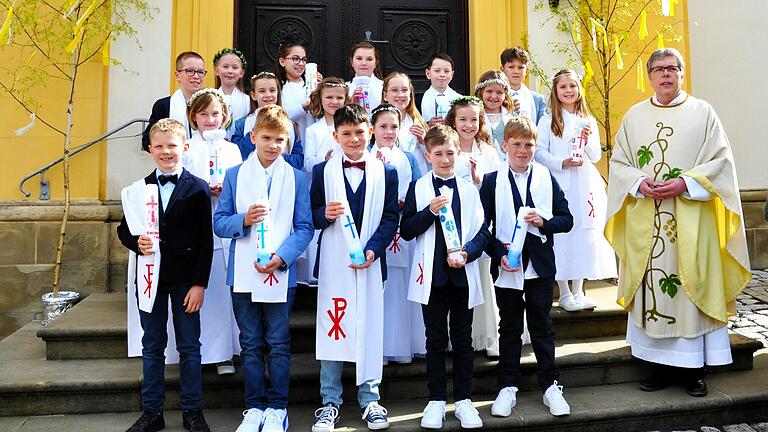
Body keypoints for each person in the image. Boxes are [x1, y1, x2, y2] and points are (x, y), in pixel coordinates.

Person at [605, 48, 751, 397]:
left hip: (691, 218)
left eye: (673, 68)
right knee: (652, 286)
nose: (666, 74)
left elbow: (721, 162)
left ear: (682, 74)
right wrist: (639, 182)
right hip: (648, 220)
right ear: (650, 76)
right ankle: (656, 367)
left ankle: (694, 370)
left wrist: (686, 182)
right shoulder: (634, 116)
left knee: (692, 284)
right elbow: (620, 163)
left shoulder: (703, 113)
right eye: (659, 69)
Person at [214, 105, 314, 432]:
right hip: (242, 272)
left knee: (278, 341)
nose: (273, 145)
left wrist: (283, 257)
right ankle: (254, 406)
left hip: (279, 272)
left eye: (280, 140)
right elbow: (219, 221)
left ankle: (278, 406)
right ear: (253, 137)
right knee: (251, 342)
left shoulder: (297, 178)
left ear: (288, 142)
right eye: (267, 138)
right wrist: (243, 220)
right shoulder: (234, 175)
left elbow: (304, 227)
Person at [118, 118, 213, 432]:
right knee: (152, 346)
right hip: (150, 280)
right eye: (158, 146)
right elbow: (123, 230)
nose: (166, 151)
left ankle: (192, 411)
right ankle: (152, 412)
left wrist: (199, 284)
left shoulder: (198, 188)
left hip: (186, 279)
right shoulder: (137, 191)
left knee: (189, 347)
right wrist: (136, 242)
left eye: (172, 145)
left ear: (185, 147)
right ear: (149, 149)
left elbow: (205, 241)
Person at [310, 104, 399, 431]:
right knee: (333, 327)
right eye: (346, 133)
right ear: (336, 136)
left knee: (368, 326)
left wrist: (373, 251)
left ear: (371, 132)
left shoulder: (386, 172)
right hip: (336, 263)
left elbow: (391, 218)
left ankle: (369, 397)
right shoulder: (323, 171)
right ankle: (329, 400)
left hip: (371, 263)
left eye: (359, 132)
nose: (353, 138)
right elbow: (312, 215)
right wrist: (325, 215)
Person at [479, 116, 574, 419]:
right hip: (507, 265)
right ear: (504, 145)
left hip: (540, 266)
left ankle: (550, 384)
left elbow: (566, 219)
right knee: (509, 327)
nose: (523, 150)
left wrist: (543, 221)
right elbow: (482, 229)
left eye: (529, 145)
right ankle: (507, 386)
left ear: (535, 147)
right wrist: (498, 252)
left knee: (542, 325)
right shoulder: (492, 181)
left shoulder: (547, 176)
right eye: (517, 144)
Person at [400, 124, 491, 430]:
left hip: (462, 275)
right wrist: (428, 211)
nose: (445, 159)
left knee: (463, 341)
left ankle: (464, 400)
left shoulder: (469, 190)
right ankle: (436, 400)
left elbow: (483, 232)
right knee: (435, 340)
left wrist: (468, 253)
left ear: (458, 153)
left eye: (450, 153)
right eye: (438, 154)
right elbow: (407, 230)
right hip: (433, 277)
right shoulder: (418, 188)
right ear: (428, 155)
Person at [535, 69, 617, 312]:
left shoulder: (588, 121)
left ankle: (580, 289)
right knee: (563, 233)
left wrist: (589, 138)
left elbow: (594, 154)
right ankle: (564, 291)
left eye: (572, 86)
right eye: (563, 87)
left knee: (584, 231)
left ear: (579, 89)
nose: (568, 91)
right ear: (556, 91)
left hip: (585, 183)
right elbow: (539, 152)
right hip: (561, 182)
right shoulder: (548, 120)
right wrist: (561, 162)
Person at [444, 96, 503, 357]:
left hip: (479, 224)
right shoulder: (447, 150)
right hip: (452, 225)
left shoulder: (488, 153)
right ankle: (457, 337)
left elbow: (497, 190)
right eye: (463, 119)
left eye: (474, 120)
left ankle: (489, 336)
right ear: (453, 121)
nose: (468, 125)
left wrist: (481, 181)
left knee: (482, 277)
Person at [369, 103, 424, 363]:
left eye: (393, 126)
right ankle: (379, 347)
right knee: (382, 286)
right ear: (373, 129)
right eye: (383, 127)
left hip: (404, 229)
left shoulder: (408, 158)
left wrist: (406, 202)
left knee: (403, 286)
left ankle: (406, 343)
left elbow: (420, 189)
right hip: (377, 230)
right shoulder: (367, 157)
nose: (389, 132)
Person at [299, 77, 351, 287]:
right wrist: (325, 160)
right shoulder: (313, 131)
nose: (334, 101)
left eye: (339, 97)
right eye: (329, 97)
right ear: (320, 100)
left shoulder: (350, 127)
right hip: (322, 187)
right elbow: (307, 163)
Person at [230, 72, 303, 168]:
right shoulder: (242, 124)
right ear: (253, 95)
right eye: (262, 91)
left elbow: (298, 159)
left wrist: (276, 157)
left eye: (272, 90)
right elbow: (236, 154)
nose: (268, 95)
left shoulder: (291, 125)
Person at [141, 51, 205, 151]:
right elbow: (147, 141)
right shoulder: (164, 106)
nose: (196, 76)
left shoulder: (210, 104)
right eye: (190, 71)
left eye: (200, 72)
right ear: (177, 75)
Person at [381, 72, 429, 175]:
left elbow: (432, 157)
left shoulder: (418, 122)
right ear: (385, 96)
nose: (400, 95)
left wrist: (423, 142)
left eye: (404, 90)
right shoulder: (378, 122)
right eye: (394, 90)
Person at [276, 40, 321, 142]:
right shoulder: (277, 87)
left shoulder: (310, 86)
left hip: (311, 140)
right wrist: (302, 108)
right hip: (288, 141)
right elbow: (276, 117)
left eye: (304, 60)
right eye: (295, 59)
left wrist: (321, 90)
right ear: (282, 61)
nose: (301, 64)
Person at [474, 70, 517, 161]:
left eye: (499, 92)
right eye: (489, 91)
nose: (494, 96)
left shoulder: (512, 118)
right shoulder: (474, 117)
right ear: (481, 92)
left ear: (505, 95)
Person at [499, 46, 547, 124]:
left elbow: (542, 127)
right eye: (511, 67)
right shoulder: (496, 98)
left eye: (520, 67)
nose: (516, 71)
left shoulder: (537, 99)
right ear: (502, 69)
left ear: (526, 71)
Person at [213, 48, 250, 139]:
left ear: (241, 73)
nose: (230, 71)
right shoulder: (210, 98)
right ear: (216, 70)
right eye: (225, 67)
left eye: (235, 67)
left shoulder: (247, 101)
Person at [421, 53, 462, 126]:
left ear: (452, 75)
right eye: (437, 70)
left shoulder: (460, 99)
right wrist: (428, 125)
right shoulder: (417, 99)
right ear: (428, 73)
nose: (442, 74)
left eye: (446, 71)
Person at [347, 41, 384, 115]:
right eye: (359, 58)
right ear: (352, 62)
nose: (364, 63)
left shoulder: (384, 87)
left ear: (376, 63)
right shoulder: (345, 88)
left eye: (369, 59)